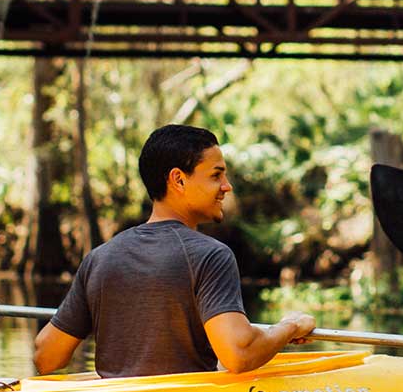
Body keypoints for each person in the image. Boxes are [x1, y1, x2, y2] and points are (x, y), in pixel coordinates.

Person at [33, 124, 316, 378]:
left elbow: (46, 356)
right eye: (216, 176)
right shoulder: (210, 255)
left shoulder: (100, 257)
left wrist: (261, 334)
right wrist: (289, 326)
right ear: (178, 180)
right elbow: (238, 354)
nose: (226, 187)